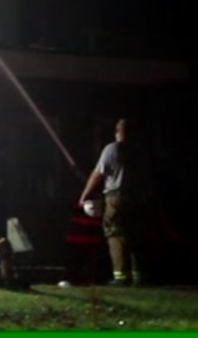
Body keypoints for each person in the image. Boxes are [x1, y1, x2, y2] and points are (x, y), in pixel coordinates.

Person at [77, 117, 150, 286]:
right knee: (134, 236)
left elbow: (97, 175)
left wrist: (84, 195)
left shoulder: (112, 149)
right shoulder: (140, 152)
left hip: (116, 198)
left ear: (117, 132)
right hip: (137, 199)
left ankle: (121, 277)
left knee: (115, 235)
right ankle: (139, 276)